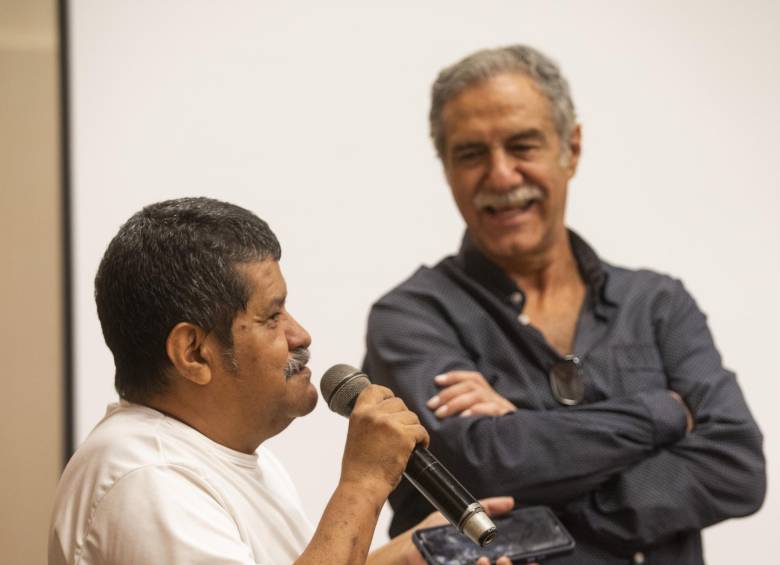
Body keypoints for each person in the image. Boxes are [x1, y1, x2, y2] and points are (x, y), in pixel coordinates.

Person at [363, 45, 766, 564]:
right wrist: (663, 413)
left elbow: (737, 466)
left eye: (522, 146)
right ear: (445, 167)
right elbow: (485, 462)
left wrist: (553, 502)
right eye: (471, 154)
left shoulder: (658, 305)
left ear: (571, 149)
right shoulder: (411, 318)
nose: (502, 175)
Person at [48, 197, 516, 565]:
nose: (300, 335)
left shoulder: (238, 460)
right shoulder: (147, 481)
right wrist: (363, 484)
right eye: (271, 317)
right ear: (193, 352)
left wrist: (403, 558)